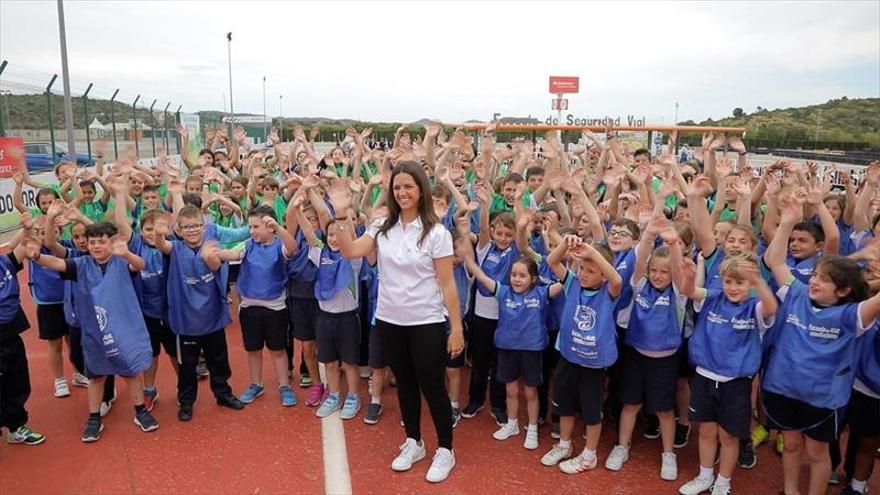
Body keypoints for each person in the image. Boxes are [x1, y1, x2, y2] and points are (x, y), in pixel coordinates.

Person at [337, 161, 464, 483]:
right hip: (390, 320)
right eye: (397, 187)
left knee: (431, 386)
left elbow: (448, 283)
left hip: (427, 321)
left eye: (408, 186)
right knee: (405, 383)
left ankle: (446, 450)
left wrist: (457, 328)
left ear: (421, 189)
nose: (402, 192)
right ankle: (413, 442)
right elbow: (351, 250)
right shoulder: (381, 227)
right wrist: (340, 213)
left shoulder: (437, 233)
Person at [762, 187, 880, 495]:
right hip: (784, 386)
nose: (814, 281)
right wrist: (787, 221)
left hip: (823, 397)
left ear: (842, 291)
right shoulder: (797, 293)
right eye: (815, 275)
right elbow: (774, 261)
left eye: (824, 280)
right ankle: (790, 491)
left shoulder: (852, 315)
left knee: (817, 453)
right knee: (790, 444)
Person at [27, 221, 160, 442]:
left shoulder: (121, 261)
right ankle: (94, 418)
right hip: (94, 329)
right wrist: (38, 257)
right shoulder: (81, 264)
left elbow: (140, 264)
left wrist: (126, 253)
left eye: (102, 241)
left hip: (123, 327)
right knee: (96, 376)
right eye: (92, 242)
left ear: (112, 243)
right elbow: (58, 263)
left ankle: (140, 411)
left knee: (130, 372)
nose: (96, 246)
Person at [151, 205, 246, 421]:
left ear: (204, 227)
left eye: (196, 226)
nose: (192, 230)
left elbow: (227, 256)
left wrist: (219, 255)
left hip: (212, 317)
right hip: (186, 321)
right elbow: (160, 243)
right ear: (179, 230)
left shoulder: (212, 246)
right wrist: (158, 231)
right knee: (187, 366)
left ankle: (223, 394)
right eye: (186, 227)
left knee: (219, 361)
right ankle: (186, 402)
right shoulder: (174, 249)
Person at [540, 235, 622, 475]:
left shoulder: (610, 291)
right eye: (582, 268)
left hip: (593, 363)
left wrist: (592, 252)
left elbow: (616, 278)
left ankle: (589, 455)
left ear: (603, 275)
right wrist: (567, 244)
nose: (584, 274)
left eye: (591, 270)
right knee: (564, 405)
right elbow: (552, 261)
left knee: (591, 411)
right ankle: (564, 445)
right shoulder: (572, 283)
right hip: (568, 356)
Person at [0, 226, 46, 446]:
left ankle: (16, 428)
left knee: (17, 381)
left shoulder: (4, 263)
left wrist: (28, 229)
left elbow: (21, 248)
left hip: (11, 333)